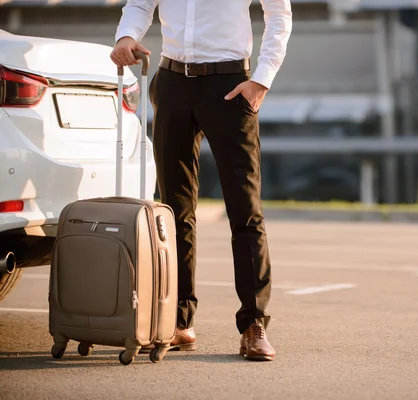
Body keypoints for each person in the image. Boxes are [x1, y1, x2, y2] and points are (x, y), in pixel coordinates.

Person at [110, 0, 292, 361]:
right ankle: (178, 321)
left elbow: (279, 15)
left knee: (245, 209)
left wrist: (261, 80)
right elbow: (141, 4)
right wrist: (127, 36)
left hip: (229, 85)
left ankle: (253, 324)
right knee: (174, 211)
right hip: (172, 82)